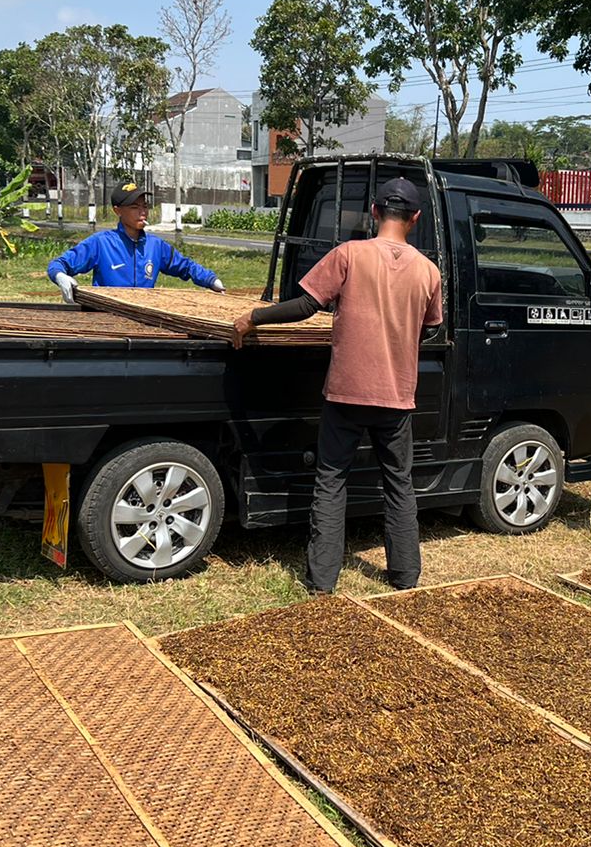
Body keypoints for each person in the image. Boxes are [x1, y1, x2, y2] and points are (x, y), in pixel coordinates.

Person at [231, 177, 443, 595]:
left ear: (374, 212)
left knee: (331, 481)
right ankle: (405, 577)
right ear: (415, 219)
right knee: (399, 483)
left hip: (346, 393)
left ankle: (321, 583)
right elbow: (431, 329)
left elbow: (307, 305)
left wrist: (253, 317)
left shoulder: (349, 254)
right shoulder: (428, 271)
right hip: (397, 398)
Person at [47, 181, 224, 301]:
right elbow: (59, 264)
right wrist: (60, 276)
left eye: (144, 206)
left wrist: (211, 280)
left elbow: (186, 266)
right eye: (134, 207)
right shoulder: (101, 243)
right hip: (106, 321)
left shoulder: (156, 246)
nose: (142, 212)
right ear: (118, 211)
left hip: (143, 319)